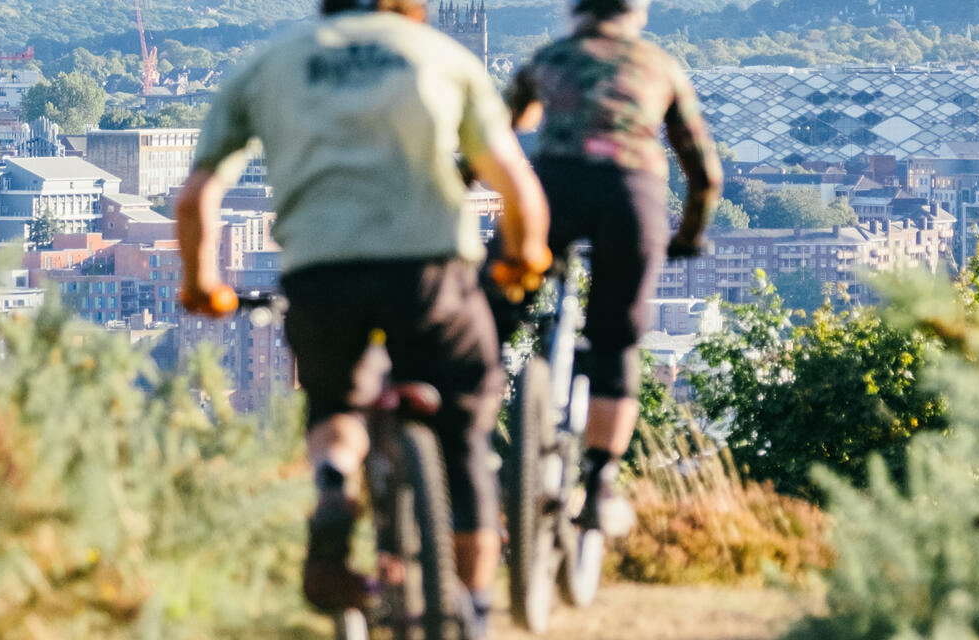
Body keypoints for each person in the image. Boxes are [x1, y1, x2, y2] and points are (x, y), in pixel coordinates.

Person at [174, 0, 552, 630]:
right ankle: (475, 610)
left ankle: (332, 483)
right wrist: (524, 258)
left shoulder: (270, 64)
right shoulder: (442, 56)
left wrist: (201, 285)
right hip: (430, 273)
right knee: (464, 436)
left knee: (335, 404)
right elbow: (515, 182)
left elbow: (194, 198)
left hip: (321, 274)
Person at [498, 0, 723, 534]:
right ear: (636, 14)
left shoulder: (548, 59)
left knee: (493, 304)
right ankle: (599, 483)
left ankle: (471, 420)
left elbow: (499, 132)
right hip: (632, 197)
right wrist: (688, 236)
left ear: (576, 13)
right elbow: (705, 172)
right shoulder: (659, 66)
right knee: (616, 341)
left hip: (556, 191)